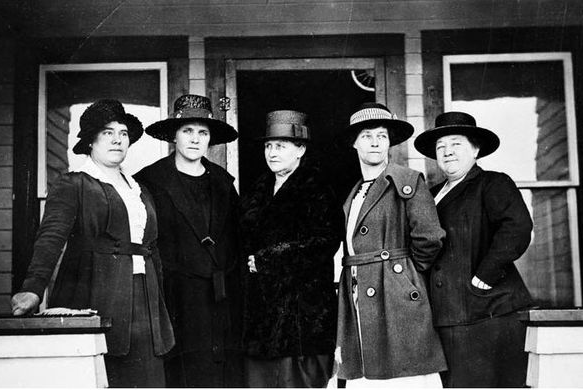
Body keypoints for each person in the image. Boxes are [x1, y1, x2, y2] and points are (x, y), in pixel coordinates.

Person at [10, 99, 175, 387]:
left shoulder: (139, 189)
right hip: (95, 292)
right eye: (107, 132)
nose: (117, 140)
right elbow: (51, 237)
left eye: (123, 133)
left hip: (144, 300)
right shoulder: (75, 184)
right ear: (90, 141)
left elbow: (152, 248)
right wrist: (33, 288)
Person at [414, 111, 534, 387]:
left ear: (475, 149)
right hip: (445, 316)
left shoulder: (492, 183)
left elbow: (517, 228)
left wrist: (484, 277)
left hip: (488, 313)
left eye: (456, 144)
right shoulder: (430, 195)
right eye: (441, 146)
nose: (447, 152)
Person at [134, 94, 244, 387]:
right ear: (174, 136)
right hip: (176, 299)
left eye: (203, 132)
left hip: (222, 299)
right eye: (187, 131)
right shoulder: (150, 181)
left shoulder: (223, 181)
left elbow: (238, 238)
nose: (195, 139)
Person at [335, 102, 447, 387]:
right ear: (355, 143)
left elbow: (430, 237)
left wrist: (403, 277)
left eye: (382, 136)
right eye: (367, 136)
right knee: (366, 371)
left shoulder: (406, 180)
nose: (375, 142)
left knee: (403, 375)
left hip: (395, 295)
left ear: (390, 143)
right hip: (358, 295)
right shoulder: (355, 191)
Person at [240, 110, 344, 388]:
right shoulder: (259, 189)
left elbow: (325, 242)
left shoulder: (317, 188)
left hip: (302, 320)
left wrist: (269, 260)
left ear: (300, 149)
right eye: (268, 146)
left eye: (281, 146)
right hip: (262, 320)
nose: (272, 153)